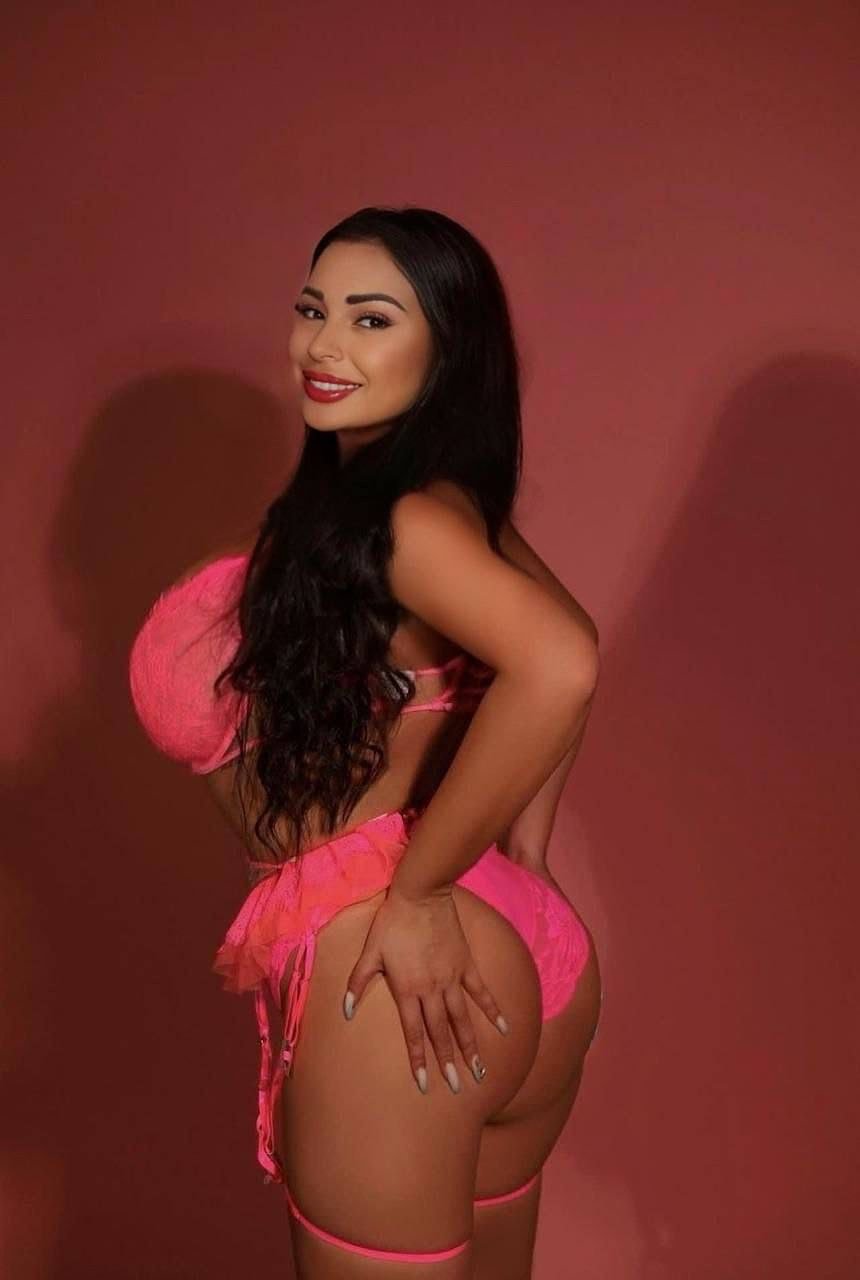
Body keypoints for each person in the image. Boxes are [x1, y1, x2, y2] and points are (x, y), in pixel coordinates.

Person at [128, 205, 602, 1279]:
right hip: (503, 942)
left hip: (387, 966)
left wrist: (424, 891)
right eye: (313, 309)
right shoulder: (438, 504)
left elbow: (560, 660)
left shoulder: (406, 522)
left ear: (446, 352)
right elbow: (567, 642)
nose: (324, 344)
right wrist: (520, 857)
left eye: (372, 318)